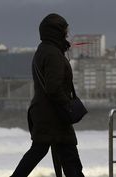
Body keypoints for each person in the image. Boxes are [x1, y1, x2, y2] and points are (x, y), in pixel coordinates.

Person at [10, 13, 85, 177]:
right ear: (56, 31)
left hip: (45, 114)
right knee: (69, 159)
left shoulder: (43, 50)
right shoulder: (53, 54)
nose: (67, 33)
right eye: (65, 30)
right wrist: (68, 106)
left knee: (41, 152)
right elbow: (53, 88)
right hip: (54, 116)